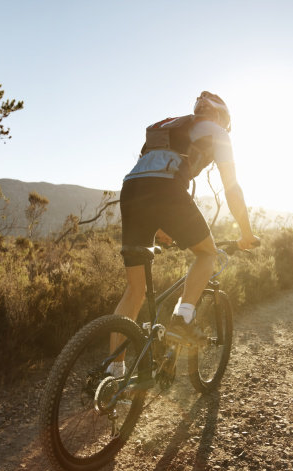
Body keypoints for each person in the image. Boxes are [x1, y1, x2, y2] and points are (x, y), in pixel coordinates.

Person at [108, 91, 259, 378]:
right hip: (167, 191)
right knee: (207, 253)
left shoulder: (168, 128)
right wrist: (246, 232)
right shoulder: (217, 131)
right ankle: (182, 317)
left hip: (131, 190)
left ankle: (114, 372)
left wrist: (162, 224)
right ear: (221, 118)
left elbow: (149, 173)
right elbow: (232, 188)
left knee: (135, 290)